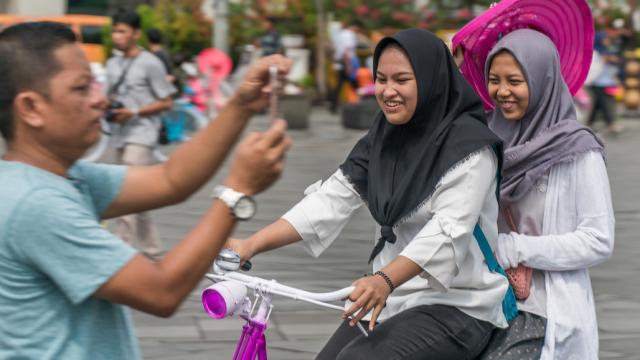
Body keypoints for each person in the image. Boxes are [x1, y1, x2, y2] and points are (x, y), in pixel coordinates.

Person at [0, 21, 292, 359]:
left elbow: (171, 179)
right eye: (81, 88)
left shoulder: (61, 178)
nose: (100, 99)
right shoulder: (36, 204)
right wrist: (238, 191)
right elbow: (161, 291)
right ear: (31, 108)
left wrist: (242, 104)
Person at [227, 29, 512, 360]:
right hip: (392, 296)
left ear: (432, 81)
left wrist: (384, 279)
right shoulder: (383, 137)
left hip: (458, 303)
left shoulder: (471, 149)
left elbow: (447, 232)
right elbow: (331, 198)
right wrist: (250, 245)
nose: (388, 91)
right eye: (381, 79)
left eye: (402, 80)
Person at [469, 29, 614, 360]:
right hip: (487, 301)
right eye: (494, 79)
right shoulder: (487, 141)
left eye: (515, 81)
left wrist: (516, 248)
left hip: (549, 310)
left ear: (541, 79)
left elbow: (598, 239)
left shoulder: (577, 150)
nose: (502, 91)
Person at [106, 9, 177, 257]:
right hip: (118, 133)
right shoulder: (112, 63)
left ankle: (119, 249)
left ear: (136, 34)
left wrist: (134, 112)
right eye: (115, 30)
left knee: (125, 192)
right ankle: (152, 248)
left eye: (122, 31)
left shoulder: (150, 63)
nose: (117, 36)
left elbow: (167, 101)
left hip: (142, 133)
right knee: (136, 195)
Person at [587, 30, 621, 135]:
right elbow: (593, 66)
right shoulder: (594, 52)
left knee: (598, 104)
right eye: (605, 38)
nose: (607, 41)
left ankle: (589, 123)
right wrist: (604, 60)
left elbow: (615, 60)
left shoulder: (607, 50)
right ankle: (611, 124)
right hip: (597, 82)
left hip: (607, 81)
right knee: (605, 103)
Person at [328, 19, 363, 113]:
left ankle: (333, 106)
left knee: (339, 85)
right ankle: (363, 103)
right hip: (348, 63)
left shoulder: (341, 34)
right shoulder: (349, 35)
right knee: (355, 83)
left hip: (340, 62)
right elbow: (346, 50)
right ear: (355, 27)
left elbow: (335, 48)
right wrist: (348, 66)